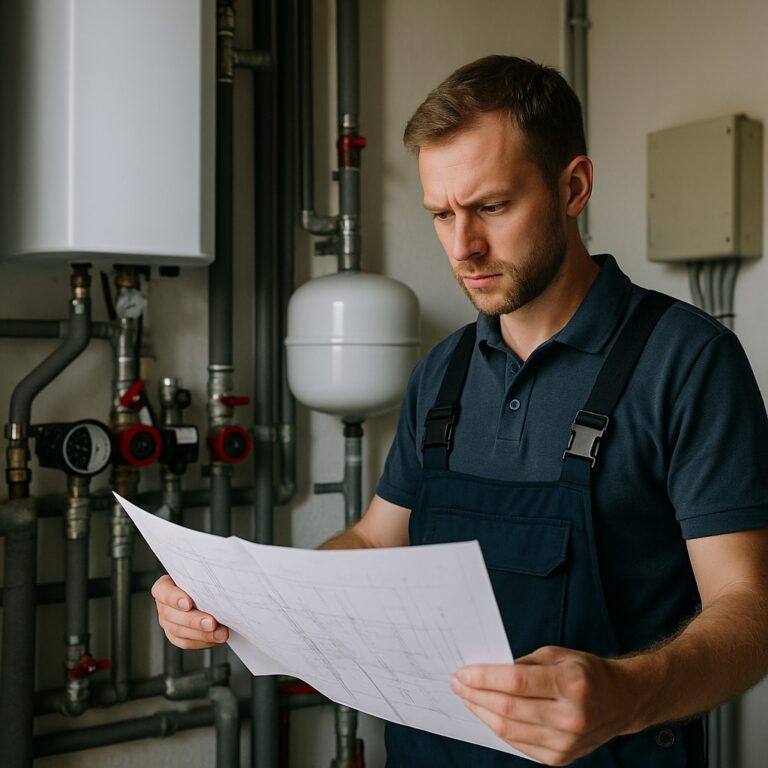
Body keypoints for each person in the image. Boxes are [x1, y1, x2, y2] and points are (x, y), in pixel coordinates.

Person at [152, 56, 768, 766]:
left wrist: (628, 693)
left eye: (492, 207)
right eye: (441, 214)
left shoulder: (688, 362)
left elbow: (750, 606)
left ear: (573, 187)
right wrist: (249, 602)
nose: (462, 247)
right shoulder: (441, 373)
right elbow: (377, 542)